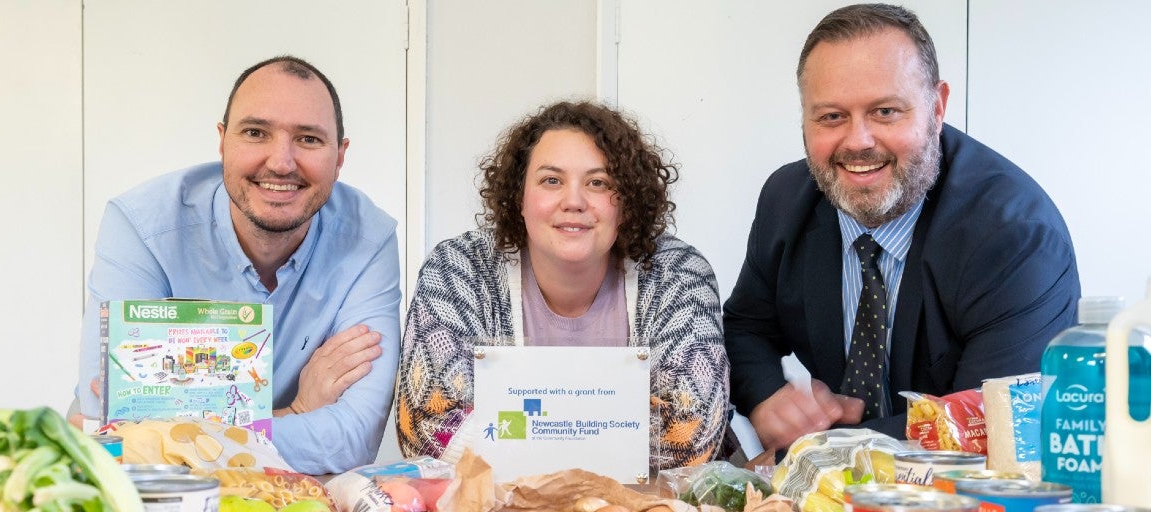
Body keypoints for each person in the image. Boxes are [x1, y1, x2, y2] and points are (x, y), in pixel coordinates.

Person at [723, 3, 1081, 455]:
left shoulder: (1016, 237)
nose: (857, 141)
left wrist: (820, 446)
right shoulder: (786, 199)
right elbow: (745, 327)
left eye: (886, 112)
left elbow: (991, 425)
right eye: (831, 116)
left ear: (937, 107)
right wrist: (765, 394)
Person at [72, 55, 401, 474]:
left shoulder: (368, 238)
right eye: (256, 132)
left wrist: (165, 434)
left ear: (340, 156)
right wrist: (296, 412)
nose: (281, 162)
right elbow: (108, 430)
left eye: (309, 139)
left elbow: (354, 437)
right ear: (223, 141)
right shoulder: (141, 224)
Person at [394, 101, 730, 470]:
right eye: (551, 180)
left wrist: (508, 429)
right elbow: (428, 428)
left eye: (598, 183)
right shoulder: (459, 267)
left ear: (626, 202)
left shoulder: (677, 273)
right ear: (518, 198)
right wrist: (606, 430)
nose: (573, 201)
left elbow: (689, 435)